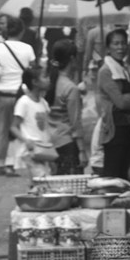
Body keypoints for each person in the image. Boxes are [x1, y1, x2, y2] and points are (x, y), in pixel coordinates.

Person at [95, 27, 130, 180]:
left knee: (123, 177)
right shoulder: (106, 72)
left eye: (123, 43)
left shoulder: (128, 70)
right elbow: (120, 103)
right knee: (113, 177)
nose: (120, 47)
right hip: (115, 130)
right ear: (108, 47)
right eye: (116, 44)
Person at [0, 15, 38, 176]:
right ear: (22, 31)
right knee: (17, 129)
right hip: (21, 95)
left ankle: (1, 163)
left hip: (2, 93)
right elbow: (32, 72)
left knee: (2, 130)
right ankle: (12, 163)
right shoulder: (28, 49)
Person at [44, 40, 85, 173]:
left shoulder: (48, 83)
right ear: (72, 59)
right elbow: (75, 122)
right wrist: (82, 151)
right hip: (67, 142)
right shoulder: (71, 88)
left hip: (50, 141)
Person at [9, 69, 58, 174]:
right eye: (44, 77)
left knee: (42, 183)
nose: (48, 80)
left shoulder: (43, 103)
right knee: (41, 180)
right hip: (31, 151)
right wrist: (26, 141)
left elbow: (46, 128)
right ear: (34, 82)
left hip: (44, 149)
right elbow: (13, 126)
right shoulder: (24, 102)